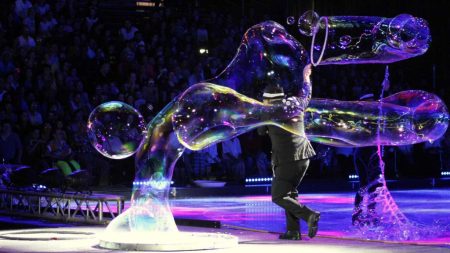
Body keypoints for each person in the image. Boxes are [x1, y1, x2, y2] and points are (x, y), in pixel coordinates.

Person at [258, 64, 319, 240]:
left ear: (268, 101)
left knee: (278, 196)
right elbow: (306, 94)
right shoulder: (295, 103)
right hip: (304, 156)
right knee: (289, 193)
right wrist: (306, 77)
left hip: (286, 159)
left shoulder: (269, 113)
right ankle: (293, 231)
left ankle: (309, 215)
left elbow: (261, 132)